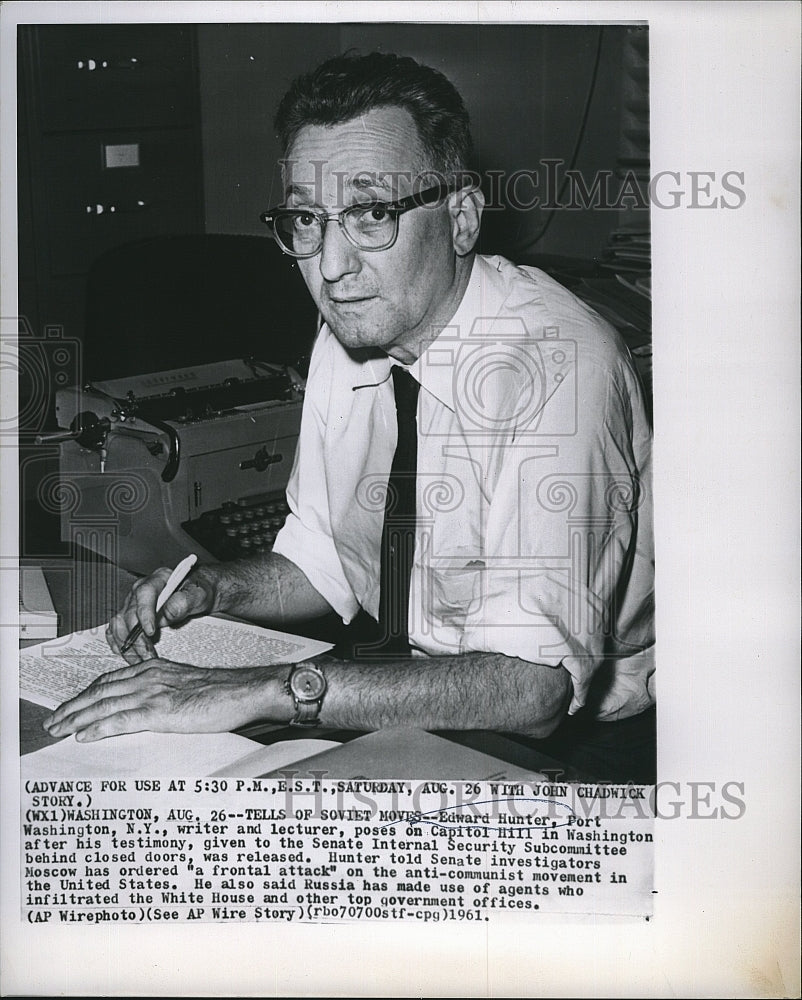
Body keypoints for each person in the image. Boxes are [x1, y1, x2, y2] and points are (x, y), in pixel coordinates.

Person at [43, 52, 655, 781]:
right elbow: (324, 561)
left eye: (371, 214)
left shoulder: (555, 365)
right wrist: (214, 587)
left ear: (461, 217)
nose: (331, 266)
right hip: (407, 681)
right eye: (307, 218)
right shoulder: (355, 327)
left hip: (578, 742)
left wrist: (264, 689)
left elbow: (533, 688)